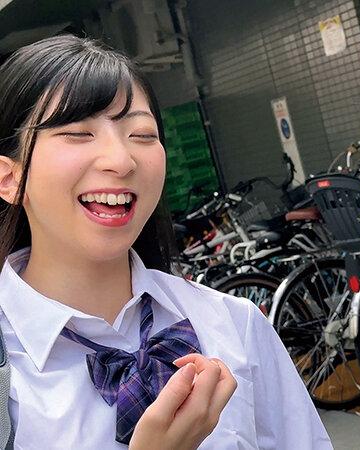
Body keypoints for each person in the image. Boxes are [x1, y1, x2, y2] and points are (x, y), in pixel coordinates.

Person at [0, 35, 331, 449]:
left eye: (141, 134)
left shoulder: (234, 324)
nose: (121, 160)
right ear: (9, 178)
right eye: (79, 133)